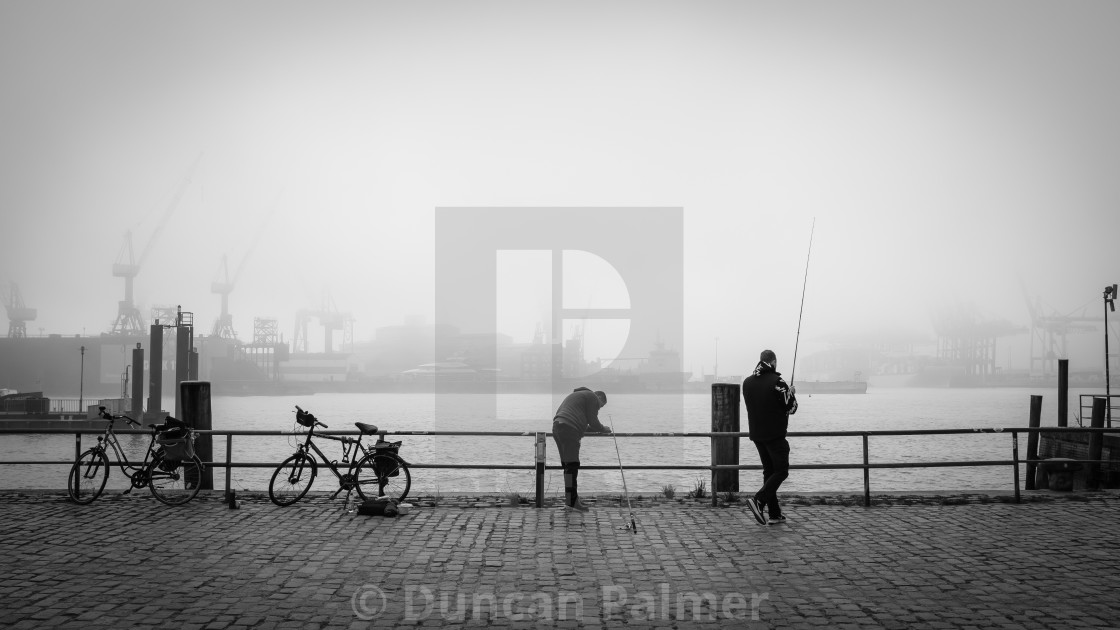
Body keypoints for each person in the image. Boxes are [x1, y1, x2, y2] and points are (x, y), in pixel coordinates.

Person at [742, 349, 798, 525]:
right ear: (773, 362)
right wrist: (790, 393)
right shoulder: (777, 382)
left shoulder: (747, 383)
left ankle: (774, 513)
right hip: (775, 435)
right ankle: (759, 500)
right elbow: (792, 408)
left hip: (757, 435)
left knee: (770, 472)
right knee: (781, 471)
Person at [551, 387, 610, 512]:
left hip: (558, 427)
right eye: (600, 406)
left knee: (567, 466)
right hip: (569, 429)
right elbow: (593, 421)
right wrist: (603, 428)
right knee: (572, 466)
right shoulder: (592, 397)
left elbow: (583, 424)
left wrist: (595, 427)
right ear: (599, 397)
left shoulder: (578, 397)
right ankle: (572, 503)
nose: (598, 408)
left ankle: (570, 501)